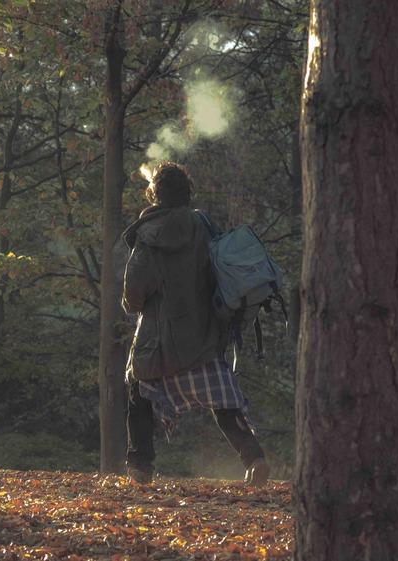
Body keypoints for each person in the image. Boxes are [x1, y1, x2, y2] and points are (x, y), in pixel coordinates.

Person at [120, 161, 270, 486]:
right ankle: (254, 458)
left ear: (154, 195)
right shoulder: (202, 225)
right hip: (203, 339)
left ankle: (140, 467)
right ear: (186, 193)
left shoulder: (147, 236)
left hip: (158, 345)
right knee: (225, 404)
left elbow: (133, 296)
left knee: (138, 394)